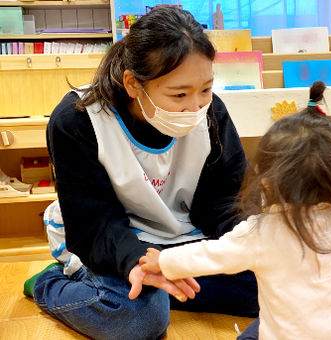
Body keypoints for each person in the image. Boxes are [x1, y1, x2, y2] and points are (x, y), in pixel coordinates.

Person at [137, 81, 331, 340]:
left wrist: (163, 260)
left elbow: (210, 254)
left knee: (261, 326)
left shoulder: (261, 232)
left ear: (267, 185)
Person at [24, 7, 258, 340]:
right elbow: (95, 225)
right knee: (139, 321)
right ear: (133, 83)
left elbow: (224, 201)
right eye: (179, 94)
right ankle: (53, 284)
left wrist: (254, 236)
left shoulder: (211, 112)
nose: (196, 107)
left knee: (278, 283)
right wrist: (135, 261)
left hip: (182, 240)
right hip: (115, 244)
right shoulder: (78, 121)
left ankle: (163, 291)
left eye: (206, 89)